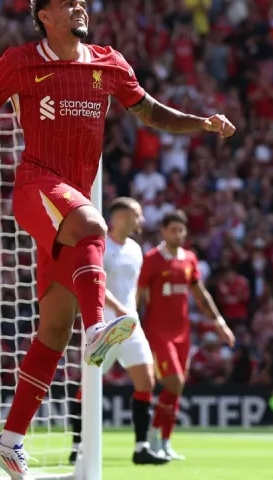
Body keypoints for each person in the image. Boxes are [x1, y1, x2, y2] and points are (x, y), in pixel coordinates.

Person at [0, 0, 235, 477]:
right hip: (36, 186)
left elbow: (152, 113)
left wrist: (201, 123)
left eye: (83, 0)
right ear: (45, 15)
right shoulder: (20, 61)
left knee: (54, 331)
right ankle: (98, 326)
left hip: (67, 210)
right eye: (68, 1)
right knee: (96, 225)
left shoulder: (109, 62)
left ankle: (9, 440)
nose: (80, 5)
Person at [68, 198, 168, 466]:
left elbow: (132, 288)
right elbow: (96, 283)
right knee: (87, 387)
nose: (142, 220)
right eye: (137, 214)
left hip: (131, 325)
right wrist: (119, 308)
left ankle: (141, 447)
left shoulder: (135, 249)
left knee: (146, 380)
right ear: (121, 217)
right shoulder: (101, 245)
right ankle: (77, 445)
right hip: (103, 324)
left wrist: (132, 310)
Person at [138, 210, 235, 460]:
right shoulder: (151, 260)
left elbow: (201, 295)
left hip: (183, 333)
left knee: (176, 389)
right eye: (173, 230)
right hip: (158, 332)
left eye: (182, 230)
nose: (178, 234)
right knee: (175, 382)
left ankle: (165, 442)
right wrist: (132, 325)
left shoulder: (189, 259)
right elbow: (137, 296)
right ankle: (151, 436)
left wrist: (219, 322)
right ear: (163, 231)